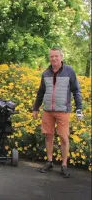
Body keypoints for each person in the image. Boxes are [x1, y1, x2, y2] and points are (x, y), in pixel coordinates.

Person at [32, 47, 83, 178]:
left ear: (61, 57)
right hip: (48, 110)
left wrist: (79, 109)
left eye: (56, 56)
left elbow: (76, 90)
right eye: (51, 56)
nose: (54, 58)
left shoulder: (69, 71)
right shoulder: (45, 73)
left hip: (63, 110)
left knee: (64, 138)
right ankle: (49, 162)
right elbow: (41, 92)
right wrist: (36, 108)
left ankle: (64, 165)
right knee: (48, 136)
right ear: (49, 58)